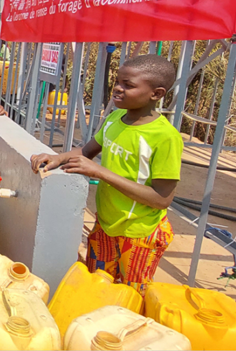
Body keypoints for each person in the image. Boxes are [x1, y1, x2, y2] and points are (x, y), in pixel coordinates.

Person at [30, 55, 181, 294]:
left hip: (139, 233)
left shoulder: (165, 137)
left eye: (128, 85)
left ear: (156, 93)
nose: (118, 89)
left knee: (130, 297)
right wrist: (59, 157)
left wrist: (101, 172)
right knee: (95, 289)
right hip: (106, 226)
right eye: (117, 82)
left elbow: (161, 198)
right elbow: (88, 151)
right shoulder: (114, 119)